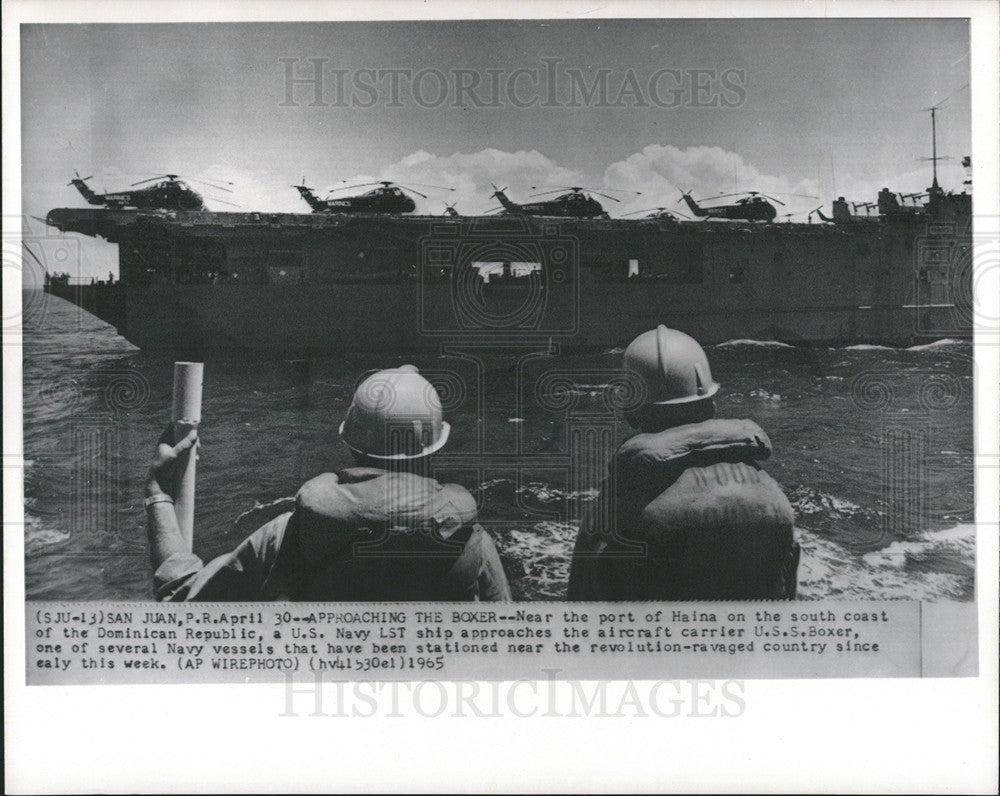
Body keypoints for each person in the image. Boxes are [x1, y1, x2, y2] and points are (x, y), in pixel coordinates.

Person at [145, 365, 511, 601]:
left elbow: (181, 600)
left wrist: (159, 494)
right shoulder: (471, 543)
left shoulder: (290, 534)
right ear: (433, 450)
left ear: (350, 443)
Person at [567, 326, 800, 601]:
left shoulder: (620, 503)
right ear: (710, 405)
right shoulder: (767, 489)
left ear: (630, 411)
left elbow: (581, 600)